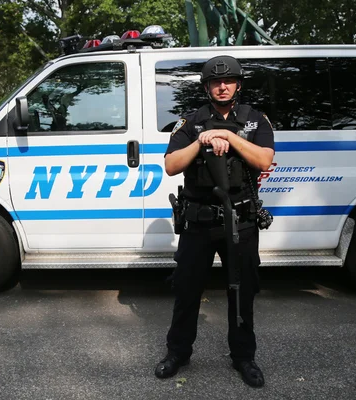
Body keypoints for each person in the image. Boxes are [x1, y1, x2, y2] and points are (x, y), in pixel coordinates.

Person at [155, 55, 275, 388]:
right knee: (187, 291)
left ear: (238, 84)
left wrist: (228, 136)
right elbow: (171, 165)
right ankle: (177, 353)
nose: (222, 86)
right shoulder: (191, 121)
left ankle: (244, 357)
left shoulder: (254, 120)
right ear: (207, 87)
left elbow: (265, 158)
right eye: (215, 82)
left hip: (241, 222)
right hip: (199, 222)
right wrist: (201, 140)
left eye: (229, 81)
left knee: (242, 292)